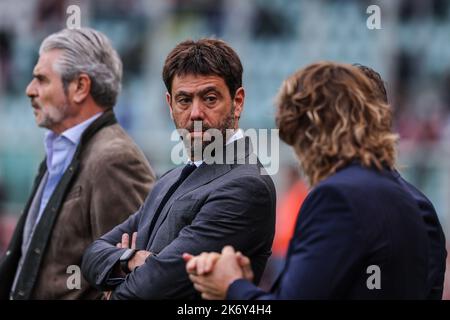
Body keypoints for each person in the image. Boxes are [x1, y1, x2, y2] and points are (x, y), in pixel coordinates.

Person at [185, 62, 447, 299]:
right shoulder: (407, 199)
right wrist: (246, 285)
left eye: (298, 139)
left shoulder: (338, 197)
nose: (301, 157)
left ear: (315, 131)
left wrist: (231, 286)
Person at [81, 38, 276, 300]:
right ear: (170, 105)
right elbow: (92, 254)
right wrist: (130, 260)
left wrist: (114, 281)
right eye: (184, 100)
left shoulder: (246, 187)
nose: (195, 113)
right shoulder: (169, 179)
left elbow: (150, 292)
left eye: (209, 98)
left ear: (237, 101)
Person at [0, 28, 155, 300]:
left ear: (80, 87)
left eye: (41, 80)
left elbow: (135, 279)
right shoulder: (65, 151)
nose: (29, 90)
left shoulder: (114, 159)